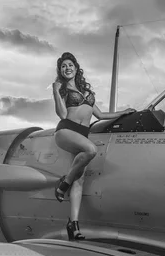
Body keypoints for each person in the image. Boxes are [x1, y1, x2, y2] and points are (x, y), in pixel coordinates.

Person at [52, 52, 135, 240]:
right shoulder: (63, 90)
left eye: (70, 65)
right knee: (91, 150)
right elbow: (63, 114)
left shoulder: (87, 92)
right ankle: (62, 185)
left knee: (79, 180)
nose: (67, 68)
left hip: (82, 134)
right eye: (63, 66)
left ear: (76, 67)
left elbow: (101, 115)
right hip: (66, 130)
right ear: (61, 71)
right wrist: (55, 91)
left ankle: (73, 225)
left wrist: (124, 112)